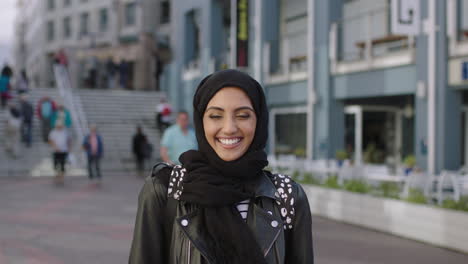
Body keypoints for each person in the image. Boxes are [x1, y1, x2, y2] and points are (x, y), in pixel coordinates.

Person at [129, 69, 314, 263]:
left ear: (259, 120)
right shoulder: (165, 190)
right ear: (201, 122)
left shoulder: (286, 196)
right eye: (215, 116)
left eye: (243, 115)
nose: (229, 128)